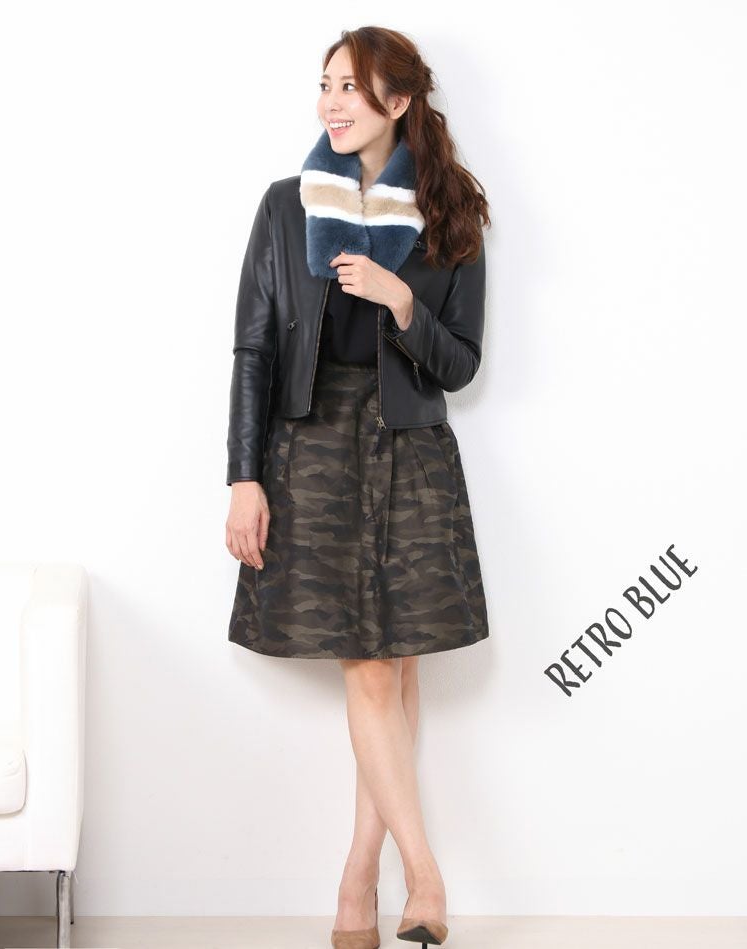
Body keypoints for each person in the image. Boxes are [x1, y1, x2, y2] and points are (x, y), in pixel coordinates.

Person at [225, 26, 492, 949]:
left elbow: (461, 363)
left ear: (399, 102)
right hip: (313, 448)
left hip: (411, 447)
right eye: (327, 84)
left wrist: (400, 298)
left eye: (352, 87)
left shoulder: (451, 210)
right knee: (370, 666)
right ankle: (424, 877)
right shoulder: (287, 204)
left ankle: (355, 882)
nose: (332, 102)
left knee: (399, 662)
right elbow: (254, 348)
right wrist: (243, 476)